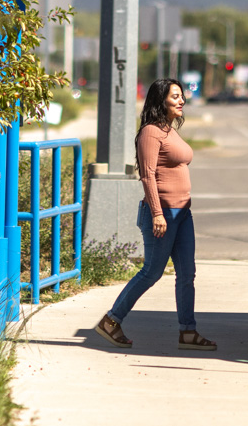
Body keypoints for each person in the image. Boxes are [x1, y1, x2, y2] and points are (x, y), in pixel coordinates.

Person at [93, 78, 217, 352]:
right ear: (161, 100)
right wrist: (158, 214)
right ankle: (111, 321)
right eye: (175, 96)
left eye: (181, 96)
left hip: (183, 213)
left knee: (187, 274)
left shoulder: (169, 130)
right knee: (152, 272)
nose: (181, 100)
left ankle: (188, 332)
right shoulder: (151, 132)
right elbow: (147, 175)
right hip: (162, 214)